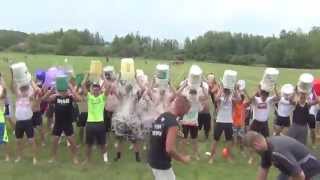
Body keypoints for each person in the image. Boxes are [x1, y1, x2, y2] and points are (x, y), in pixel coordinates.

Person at [244, 131, 320, 180]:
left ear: (256, 145)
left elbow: (300, 176)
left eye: (252, 150)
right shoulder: (266, 148)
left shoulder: (277, 151)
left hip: (312, 172)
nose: (253, 153)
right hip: (296, 171)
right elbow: (263, 170)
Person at [148, 94, 191, 180]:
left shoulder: (162, 116)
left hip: (153, 158)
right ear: (181, 107)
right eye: (186, 110)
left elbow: (158, 135)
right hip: (161, 162)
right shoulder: (173, 123)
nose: (186, 113)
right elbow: (169, 149)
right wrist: (183, 159)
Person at [43, 84, 81, 165]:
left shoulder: (70, 97)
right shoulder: (56, 97)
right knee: (55, 142)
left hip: (67, 123)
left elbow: (79, 99)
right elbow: (44, 99)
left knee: (72, 142)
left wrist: (71, 87)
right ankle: (53, 158)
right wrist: (51, 91)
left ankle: (75, 157)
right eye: (61, 91)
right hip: (58, 123)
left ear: (66, 90)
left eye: (64, 91)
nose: (63, 92)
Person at [208, 86, 241, 164]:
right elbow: (216, 99)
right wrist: (221, 88)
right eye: (226, 91)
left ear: (230, 92)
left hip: (229, 122)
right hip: (219, 121)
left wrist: (235, 89)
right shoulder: (220, 99)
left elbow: (239, 100)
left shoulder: (231, 100)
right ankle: (212, 157)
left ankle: (228, 156)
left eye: (228, 91)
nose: (227, 92)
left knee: (229, 141)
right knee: (215, 140)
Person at [11, 77, 38, 165]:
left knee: (31, 140)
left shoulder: (30, 96)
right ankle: (19, 156)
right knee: (18, 141)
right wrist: (13, 77)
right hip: (19, 122)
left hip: (27, 122)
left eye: (24, 89)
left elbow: (36, 90)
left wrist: (30, 80)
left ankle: (34, 157)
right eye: (21, 89)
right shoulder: (18, 95)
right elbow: (13, 87)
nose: (23, 91)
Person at [81, 80, 110, 164]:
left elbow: (108, 87)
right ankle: (87, 159)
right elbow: (83, 84)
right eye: (94, 89)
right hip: (90, 123)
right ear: (92, 90)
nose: (95, 91)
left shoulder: (102, 97)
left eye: (97, 89)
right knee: (88, 144)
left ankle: (105, 160)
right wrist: (88, 75)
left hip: (100, 123)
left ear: (99, 90)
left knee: (103, 144)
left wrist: (103, 77)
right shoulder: (89, 96)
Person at [0, 83, 10, 161]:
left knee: (3, 138)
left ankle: (7, 155)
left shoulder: (2, 90)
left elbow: (3, 94)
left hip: (1, 119)